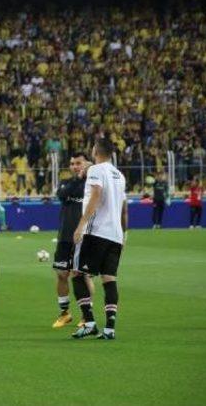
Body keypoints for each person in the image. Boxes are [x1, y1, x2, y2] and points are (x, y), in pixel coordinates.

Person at [72, 138, 127, 340]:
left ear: (95, 150)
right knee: (109, 278)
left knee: (77, 274)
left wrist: (81, 225)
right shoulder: (120, 175)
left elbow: (95, 194)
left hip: (96, 232)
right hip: (115, 234)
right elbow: (123, 207)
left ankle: (90, 322)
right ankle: (110, 328)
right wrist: (124, 233)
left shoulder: (96, 170)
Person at [51, 152, 94, 329]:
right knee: (62, 274)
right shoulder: (66, 183)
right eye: (72, 163)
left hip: (85, 237)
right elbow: (61, 194)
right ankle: (64, 313)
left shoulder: (93, 185)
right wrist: (77, 178)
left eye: (78, 163)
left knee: (82, 276)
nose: (75, 166)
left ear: (86, 164)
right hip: (65, 237)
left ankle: (87, 315)